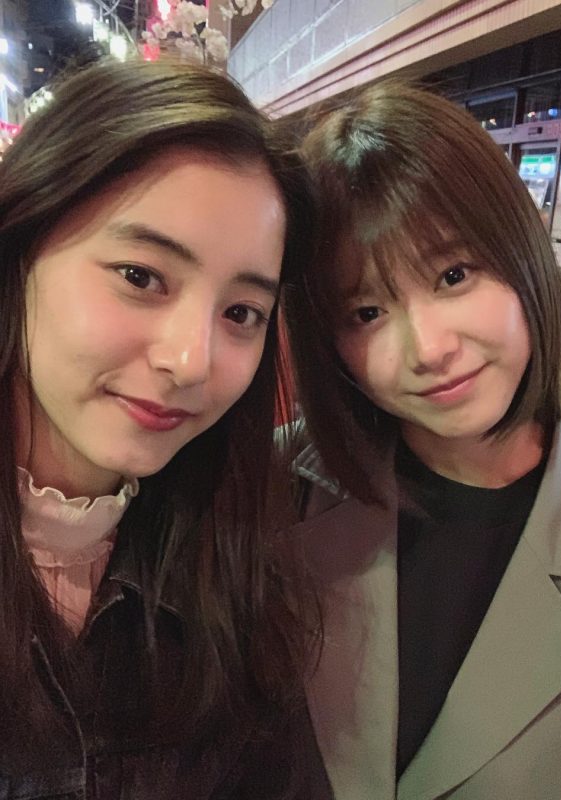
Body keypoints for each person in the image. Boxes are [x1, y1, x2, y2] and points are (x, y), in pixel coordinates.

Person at [283, 80, 561, 799]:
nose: (430, 348)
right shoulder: (273, 485)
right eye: (367, 311)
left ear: (522, 252)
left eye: (453, 274)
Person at [0, 56, 330, 799]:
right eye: (141, 276)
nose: (191, 361)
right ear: (21, 250)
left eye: (241, 312)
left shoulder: (233, 578)